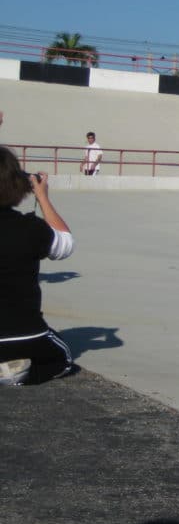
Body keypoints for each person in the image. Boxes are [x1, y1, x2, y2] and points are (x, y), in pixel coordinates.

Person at [0, 146, 75, 385]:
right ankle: (17, 375)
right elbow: (65, 244)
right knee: (62, 358)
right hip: (26, 334)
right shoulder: (31, 229)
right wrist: (42, 196)